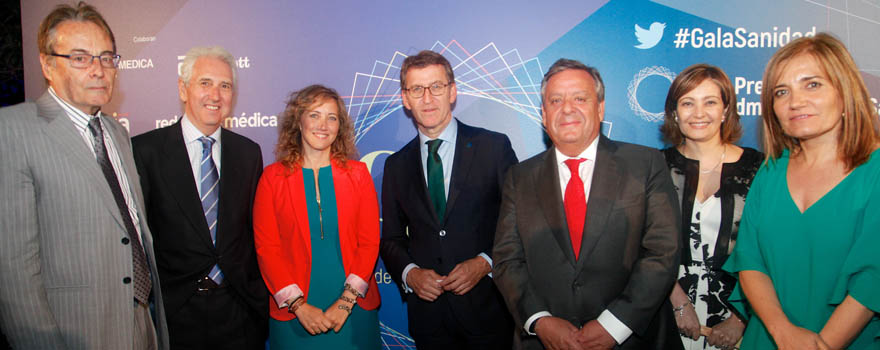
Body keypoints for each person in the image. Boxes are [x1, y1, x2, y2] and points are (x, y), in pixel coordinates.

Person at [0, 2, 168, 349]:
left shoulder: (116, 133)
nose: (99, 70)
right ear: (47, 64)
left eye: (107, 57)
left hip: (139, 322)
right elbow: (13, 273)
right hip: (75, 332)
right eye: (80, 58)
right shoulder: (12, 130)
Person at [493, 58, 682, 350]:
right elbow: (507, 259)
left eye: (580, 98)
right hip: (544, 342)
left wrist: (615, 324)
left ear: (600, 107)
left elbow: (662, 252)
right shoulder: (519, 177)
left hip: (632, 339)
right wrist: (540, 321)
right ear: (544, 114)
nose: (567, 108)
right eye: (555, 100)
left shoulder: (645, 164)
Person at [723, 33, 880, 350]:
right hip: (767, 339)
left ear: (844, 91)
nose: (795, 101)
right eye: (782, 91)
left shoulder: (874, 171)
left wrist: (822, 344)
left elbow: (872, 278)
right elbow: (751, 261)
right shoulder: (769, 172)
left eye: (812, 84)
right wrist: (782, 332)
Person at [379, 50, 517, 349]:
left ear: (452, 92)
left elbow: (520, 222)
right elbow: (390, 238)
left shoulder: (493, 147)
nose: (427, 98)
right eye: (417, 89)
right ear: (405, 98)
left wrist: (485, 263)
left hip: (489, 314)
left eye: (436, 87)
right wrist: (410, 273)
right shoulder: (396, 165)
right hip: (429, 323)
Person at [132, 46, 268, 349]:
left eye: (225, 86)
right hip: (175, 314)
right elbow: (138, 238)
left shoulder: (249, 153)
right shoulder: (145, 152)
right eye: (205, 83)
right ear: (183, 89)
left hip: (240, 313)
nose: (215, 95)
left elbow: (253, 232)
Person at [254, 85, 381, 349]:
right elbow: (267, 250)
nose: (323, 125)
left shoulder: (358, 174)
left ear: (340, 126)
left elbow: (369, 243)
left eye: (332, 117)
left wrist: (345, 303)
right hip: (293, 316)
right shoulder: (272, 178)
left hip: (353, 311)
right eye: (314, 115)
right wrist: (299, 306)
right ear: (298, 121)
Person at [659, 63, 763, 350]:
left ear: (726, 110)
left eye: (710, 102)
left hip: (745, 322)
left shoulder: (761, 169)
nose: (699, 113)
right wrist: (678, 303)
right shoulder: (654, 168)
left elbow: (772, 250)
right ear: (674, 112)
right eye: (688, 103)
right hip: (665, 318)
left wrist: (739, 319)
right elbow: (642, 247)